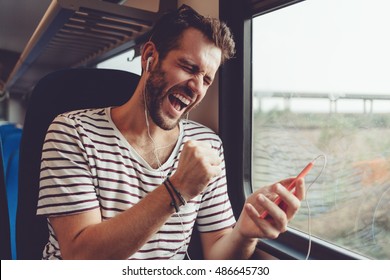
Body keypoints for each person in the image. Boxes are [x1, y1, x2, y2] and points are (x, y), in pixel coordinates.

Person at [36, 4, 305, 260]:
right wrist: (177, 190)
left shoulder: (207, 145)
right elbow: (81, 258)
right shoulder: (72, 132)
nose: (197, 87)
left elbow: (218, 256)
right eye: (189, 67)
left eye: (207, 80)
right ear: (149, 57)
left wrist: (247, 231)